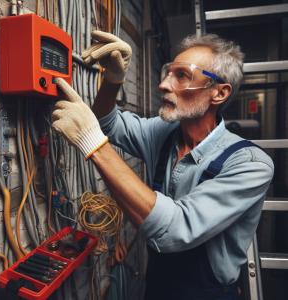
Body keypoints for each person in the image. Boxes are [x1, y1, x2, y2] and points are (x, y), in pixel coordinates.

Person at [52, 31, 274, 300]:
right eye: (168, 73)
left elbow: (176, 229)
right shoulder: (164, 132)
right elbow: (106, 125)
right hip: (158, 285)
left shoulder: (251, 164)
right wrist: (112, 81)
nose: (164, 85)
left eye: (182, 75)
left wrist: (93, 143)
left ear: (219, 92)